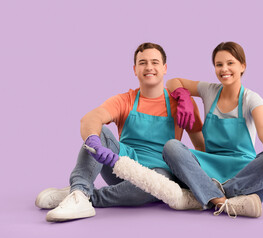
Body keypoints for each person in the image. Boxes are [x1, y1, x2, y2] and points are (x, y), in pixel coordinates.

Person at [35, 42, 204, 222]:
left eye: (155, 62)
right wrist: (93, 140)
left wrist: (208, 181)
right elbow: (90, 118)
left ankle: (85, 195)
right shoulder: (125, 100)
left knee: (157, 182)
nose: (149, 67)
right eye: (143, 63)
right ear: (135, 69)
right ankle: (79, 191)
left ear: (164, 68)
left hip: (158, 172)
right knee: (100, 132)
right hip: (121, 167)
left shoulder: (182, 105)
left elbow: (200, 147)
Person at [162, 41, 263, 218]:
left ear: (242, 66)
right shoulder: (209, 90)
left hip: (245, 175)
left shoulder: (252, 99)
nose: (224, 69)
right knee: (171, 147)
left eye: (230, 63)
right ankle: (225, 202)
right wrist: (183, 96)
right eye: (219, 64)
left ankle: (206, 195)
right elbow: (174, 81)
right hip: (209, 167)